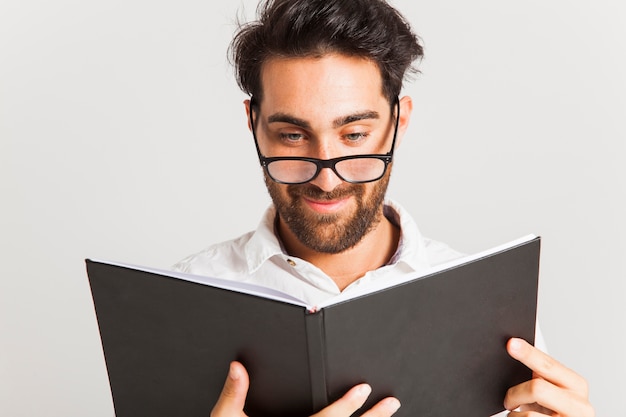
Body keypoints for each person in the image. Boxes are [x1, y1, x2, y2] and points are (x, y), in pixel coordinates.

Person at [173, 0, 595, 416]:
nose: (327, 179)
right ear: (253, 124)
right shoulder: (184, 298)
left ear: (398, 123)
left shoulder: (494, 317)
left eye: (354, 135)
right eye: (292, 136)